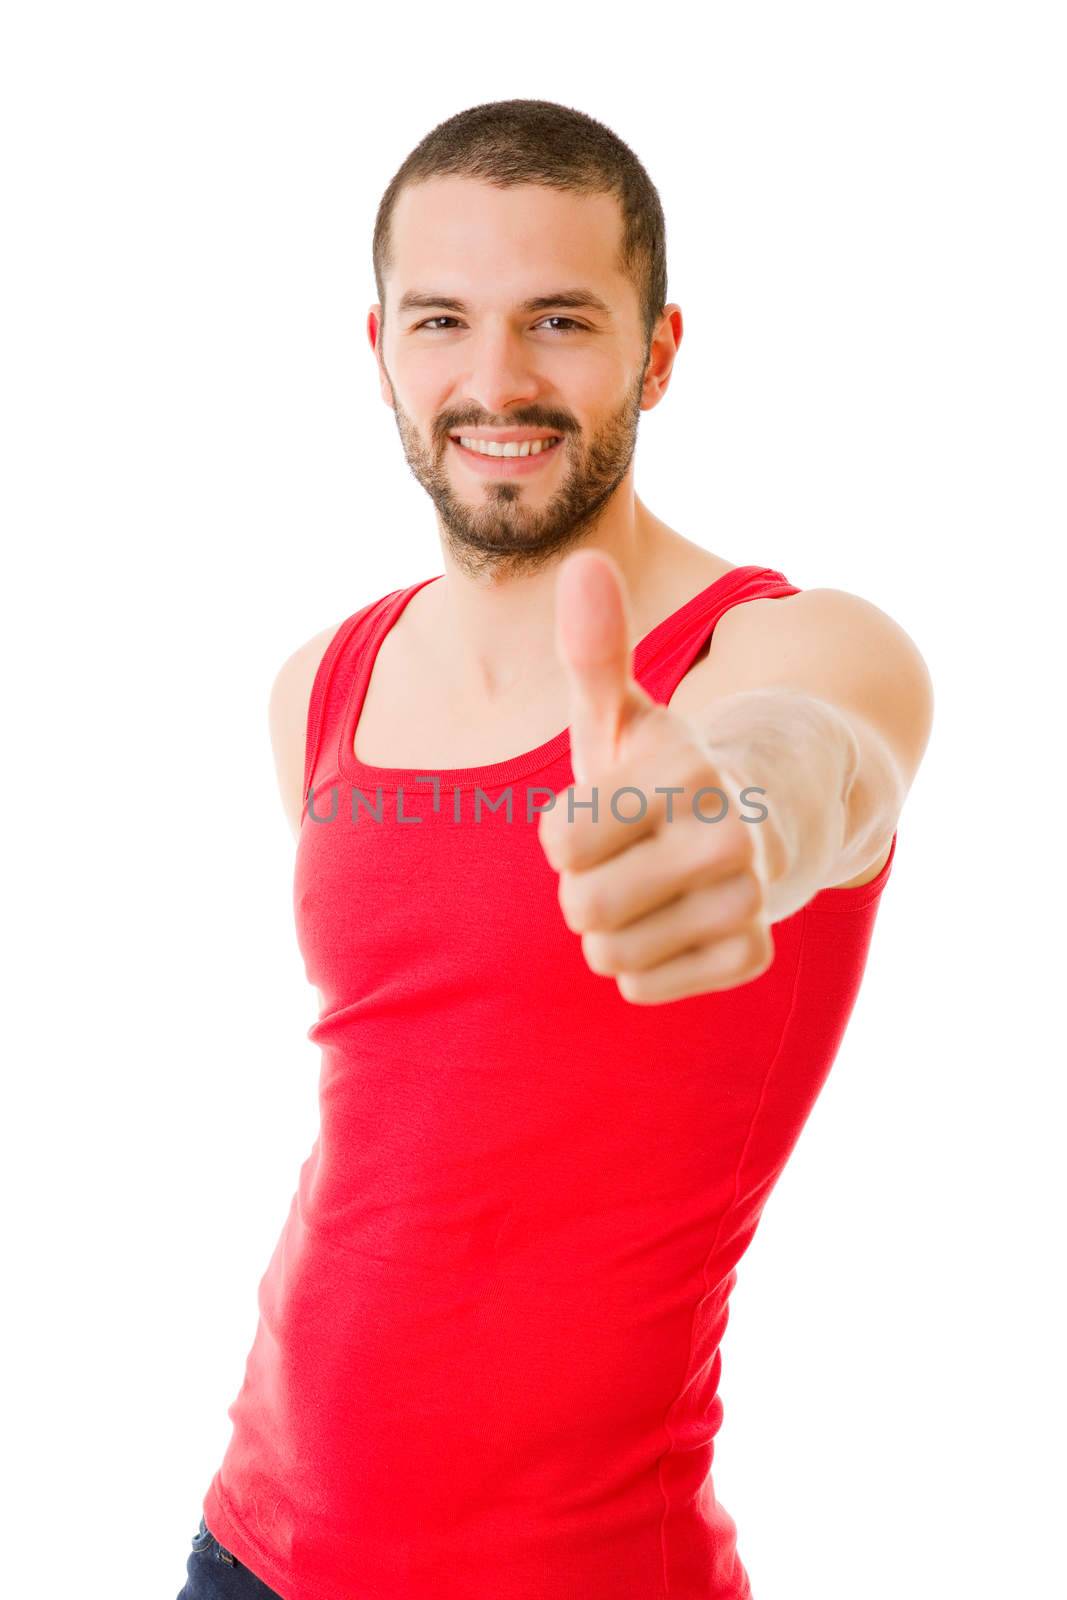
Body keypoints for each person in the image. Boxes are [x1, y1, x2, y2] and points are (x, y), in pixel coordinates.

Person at [179, 98, 933, 1600]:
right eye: (443, 318)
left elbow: (817, 757)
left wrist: (738, 815)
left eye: (562, 321)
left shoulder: (791, 645)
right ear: (380, 346)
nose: (495, 379)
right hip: (250, 1545)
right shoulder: (319, 683)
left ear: (658, 351)